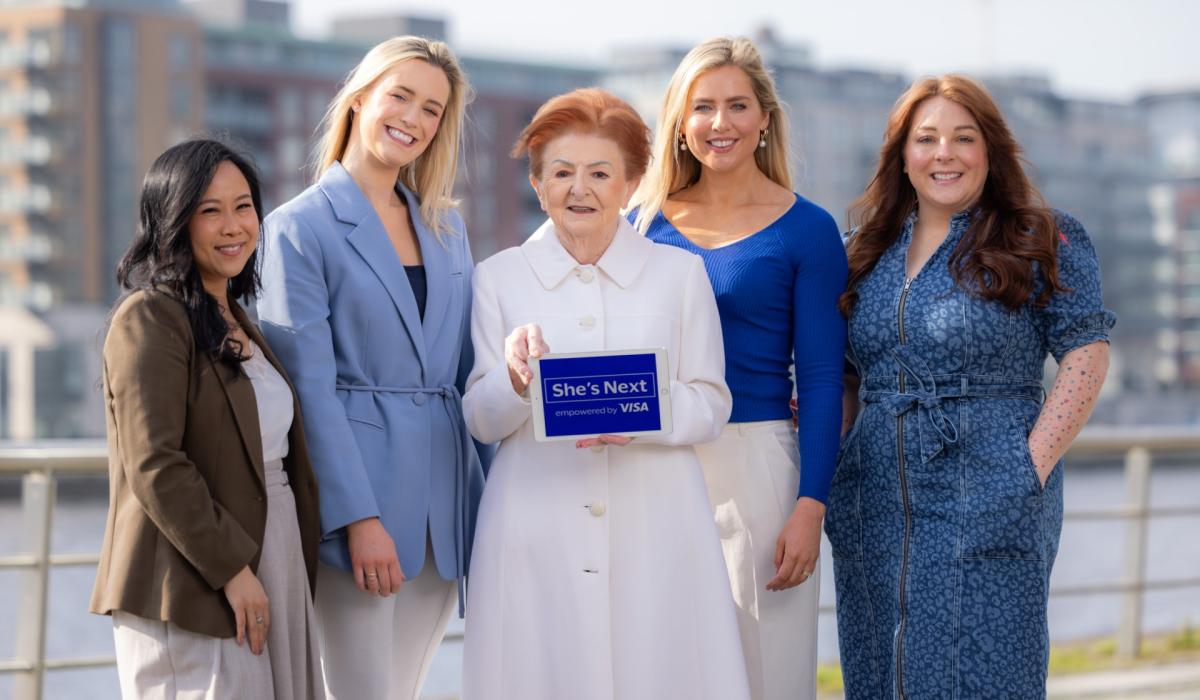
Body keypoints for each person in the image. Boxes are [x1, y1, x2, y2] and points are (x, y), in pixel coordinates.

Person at [826, 74, 1115, 699]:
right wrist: (835, 450)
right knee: (882, 672)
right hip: (875, 501)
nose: (944, 154)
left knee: (987, 672)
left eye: (963, 137)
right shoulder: (862, 251)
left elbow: (1086, 352)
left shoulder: (1040, 236)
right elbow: (846, 375)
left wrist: (1027, 468)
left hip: (992, 489)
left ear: (990, 149)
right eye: (926, 139)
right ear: (902, 155)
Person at [460, 87, 750, 700]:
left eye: (599, 173)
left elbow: (712, 402)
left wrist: (641, 409)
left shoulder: (680, 275)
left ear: (631, 183)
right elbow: (481, 419)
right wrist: (515, 381)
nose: (579, 189)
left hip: (658, 522)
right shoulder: (497, 278)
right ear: (537, 183)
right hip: (535, 523)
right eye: (561, 172)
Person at [256, 36, 484, 699]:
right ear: (359, 100)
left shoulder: (448, 231)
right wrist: (357, 518)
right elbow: (309, 392)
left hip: (444, 511)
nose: (414, 119)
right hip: (362, 511)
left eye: (432, 109)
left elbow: (470, 371)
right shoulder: (299, 229)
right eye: (400, 96)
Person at [629, 37, 847, 700]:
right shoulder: (638, 226)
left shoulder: (807, 229)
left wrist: (810, 506)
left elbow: (821, 378)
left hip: (757, 467)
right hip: (654, 464)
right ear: (680, 122)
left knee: (769, 673)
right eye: (702, 107)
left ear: (764, 120)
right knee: (662, 671)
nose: (719, 122)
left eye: (737, 105)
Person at [90, 138, 324, 699]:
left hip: (274, 552)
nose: (233, 226)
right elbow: (155, 463)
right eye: (210, 211)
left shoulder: (243, 323)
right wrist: (233, 571)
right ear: (174, 222)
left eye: (244, 207)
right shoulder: (150, 318)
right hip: (192, 575)